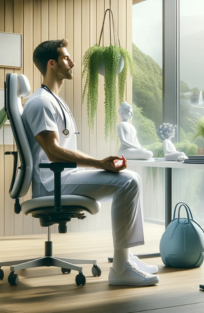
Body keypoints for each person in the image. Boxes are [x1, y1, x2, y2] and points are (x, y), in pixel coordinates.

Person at [22, 39, 159, 286]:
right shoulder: (40, 102)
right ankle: (120, 270)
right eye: (66, 58)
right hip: (52, 183)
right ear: (52, 64)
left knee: (133, 178)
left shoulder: (54, 100)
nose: (73, 63)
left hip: (63, 177)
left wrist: (101, 163)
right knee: (128, 183)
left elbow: (63, 149)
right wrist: (99, 163)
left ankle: (127, 256)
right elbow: (53, 152)